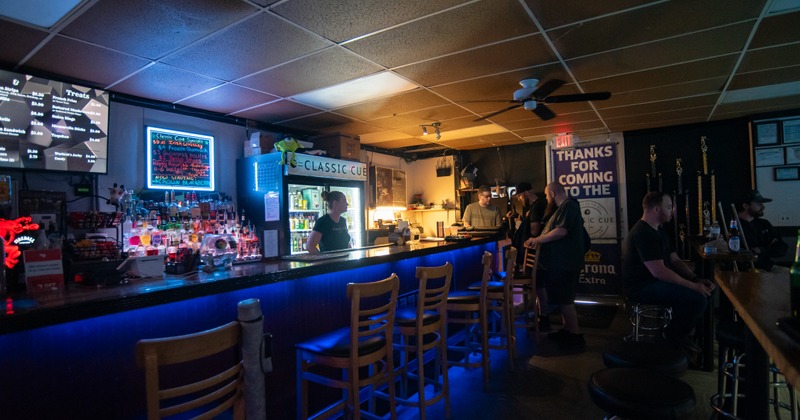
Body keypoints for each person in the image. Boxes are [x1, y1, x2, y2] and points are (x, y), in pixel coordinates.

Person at [623, 191, 714, 348]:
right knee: (697, 299)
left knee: (705, 292)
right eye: (669, 207)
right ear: (656, 209)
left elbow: (675, 260)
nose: (673, 211)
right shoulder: (643, 233)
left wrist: (695, 279)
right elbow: (659, 272)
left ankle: (682, 336)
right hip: (640, 286)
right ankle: (670, 341)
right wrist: (693, 287)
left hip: (653, 281)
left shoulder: (659, 231)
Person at [524, 182, 586, 351]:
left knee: (566, 301)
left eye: (546, 195)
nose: (546, 198)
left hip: (567, 263)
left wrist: (536, 240)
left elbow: (561, 231)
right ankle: (567, 331)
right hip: (561, 263)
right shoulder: (564, 208)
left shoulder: (569, 205)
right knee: (562, 299)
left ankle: (574, 337)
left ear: (552, 193)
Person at [735, 189, 789, 273]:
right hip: (744, 270)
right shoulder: (732, 225)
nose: (763, 207)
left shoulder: (764, 224)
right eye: (759, 204)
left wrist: (761, 250)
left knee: (789, 274)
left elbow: (782, 248)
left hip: (768, 266)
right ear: (745, 206)